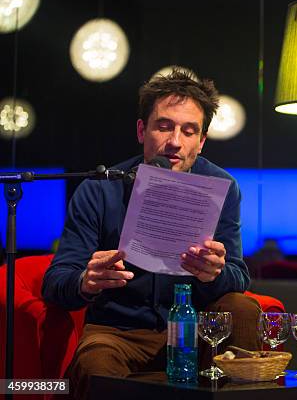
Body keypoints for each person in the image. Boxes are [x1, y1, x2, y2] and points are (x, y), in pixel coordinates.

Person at [42, 69, 260, 399]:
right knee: (94, 361)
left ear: (201, 142)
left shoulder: (223, 187)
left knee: (242, 309)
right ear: (142, 130)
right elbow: (56, 281)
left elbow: (238, 277)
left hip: (195, 327)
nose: (175, 142)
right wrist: (86, 281)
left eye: (189, 132)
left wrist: (213, 273)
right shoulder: (100, 189)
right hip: (119, 332)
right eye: (164, 126)